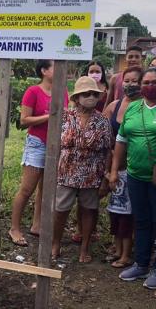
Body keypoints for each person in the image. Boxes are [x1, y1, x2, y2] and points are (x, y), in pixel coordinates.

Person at [109, 66, 156, 289]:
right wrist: (114, 170)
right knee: (140, 220)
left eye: (154, 82)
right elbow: (121, 141)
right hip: (135, 175)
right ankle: (140, 263)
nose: (149, 87)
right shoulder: (133, 108)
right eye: (146, 83)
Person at [8, 59, 69, 247]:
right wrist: (49, 116)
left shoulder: (63, 92)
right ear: (44, 71)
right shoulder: (33, 92)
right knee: (27, 189)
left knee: (46, 188)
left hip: (56, 143)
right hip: (37, 143)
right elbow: (24, 120)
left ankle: (37, 225)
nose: (59, 70)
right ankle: (14, 228)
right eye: (54, 67)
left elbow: (65, 116)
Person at [51, 77, 112, 263]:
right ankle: (55, 243)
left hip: (92, 173)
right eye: (86, 94)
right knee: (61, 210)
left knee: (89, 210)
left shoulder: (102, 121)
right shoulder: (65, 117)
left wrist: (106, 178)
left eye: (94, 94)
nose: (91, 97)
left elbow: (108, 150)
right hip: (67, 171)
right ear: (77, 98)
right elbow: (55, 145)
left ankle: (85, 247)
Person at [102, 66, 143, 268]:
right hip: (115, 169)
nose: (130, 84)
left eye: (135, 80)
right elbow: (103, 135)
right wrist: (109, 169)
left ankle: (128, 253)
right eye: (127, 81)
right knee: (116, 211)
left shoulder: (145, 106)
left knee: (130, 214)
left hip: (135, 169)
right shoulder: (114, 107)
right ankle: (118, 250)